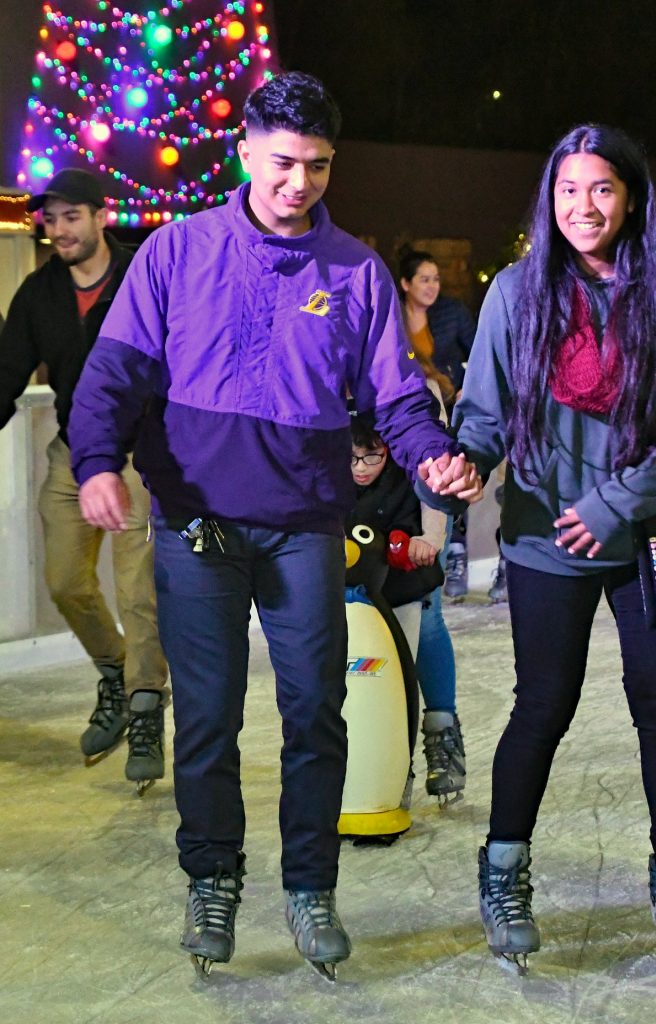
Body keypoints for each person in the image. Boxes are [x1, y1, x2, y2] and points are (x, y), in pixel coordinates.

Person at [68, 72, 481, 980]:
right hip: (198, 527)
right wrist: (96, 461)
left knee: (314, 714)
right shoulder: (176, 253)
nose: (299, 182)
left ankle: (309, 887)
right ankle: (212, 877)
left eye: (319, 166)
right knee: (209, 720)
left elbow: (398, 400)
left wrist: (433, 457)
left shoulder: (358, 275)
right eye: (285, 162)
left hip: (303, 526)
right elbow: (113, 373)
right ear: (247, 148)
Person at [420, 124, 656, 977]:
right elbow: (482, 414)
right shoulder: (518, 293)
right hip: (546, 532)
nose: (582, 206)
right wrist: (467, 463)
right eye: (566, 190)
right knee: (541, 705)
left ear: (631, 198)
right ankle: (504, 870)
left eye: (600, 189)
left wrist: (617, 499)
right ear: (547, 201)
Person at [0, 168, 168, 789]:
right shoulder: (38, 294)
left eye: (73, 215)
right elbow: (7, 371)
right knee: (65, 580)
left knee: (137, 586)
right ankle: (116, 672)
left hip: (140, 455)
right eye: (52, 218)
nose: (60, 228)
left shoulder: (140, 276)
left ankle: (146, 706)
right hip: (74, 452)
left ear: (102, 215)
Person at [348, 416, 466, 804]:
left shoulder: (402, 385)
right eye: (353, 460)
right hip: (350, 568)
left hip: (405, 553)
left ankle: (440, 734)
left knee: (420, 627)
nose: (360, 468)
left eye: (371, 458)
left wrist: (429, 536)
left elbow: (432, 458)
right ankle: (374, 758)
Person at [399, 247, 477, 601]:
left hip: (453, 402)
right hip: (417, 407)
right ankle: (452, 549)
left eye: (436, 279)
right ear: (405, 283)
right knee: (431, 477)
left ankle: (459, 553)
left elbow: (477, 353)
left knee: (459, 475)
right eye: (424, 279)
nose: (432, 286)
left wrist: (467, 389)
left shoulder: (451, 313)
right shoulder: (393, 316)